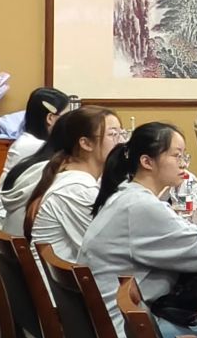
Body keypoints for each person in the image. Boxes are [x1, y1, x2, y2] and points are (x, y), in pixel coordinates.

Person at [79, 122, 197, 334]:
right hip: (124, 329)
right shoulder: (140, 206)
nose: (184, 164)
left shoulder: (127, 195)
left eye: (184, 156)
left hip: (106, 323)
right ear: (147, 162)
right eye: (177, 156)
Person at [25, 106, 125, 262]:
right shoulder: (77, 189)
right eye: (113, 135)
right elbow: (107, 250)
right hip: (62, 276)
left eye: (122, 134)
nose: (122, 142)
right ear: (86, 143)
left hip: (68, 274)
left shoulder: (72, 175)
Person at [5, 86, 71, 166]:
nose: (69, 121)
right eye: (66, 116)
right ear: (50, 118)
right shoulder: (35, 146)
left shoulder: (29, 141)